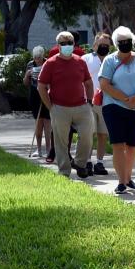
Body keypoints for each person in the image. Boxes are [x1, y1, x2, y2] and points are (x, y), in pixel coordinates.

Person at [99, 26, 135, 195]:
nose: (125, 44)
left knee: (132, 146)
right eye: (121, 42)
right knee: (118, 144)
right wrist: (125, 99)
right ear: (116, 44)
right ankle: (121, 182)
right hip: (114, 107)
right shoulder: (109, 61)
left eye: (128, 41)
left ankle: (129, 178)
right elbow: (104, 84)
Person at [37, 31, 94, 179]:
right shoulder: (50, 63)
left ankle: (80, 164)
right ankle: (64, 171)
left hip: (82, 106)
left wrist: (89, 101)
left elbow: (88, 83)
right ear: (58, 45)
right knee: (61, 141)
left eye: (70, 42)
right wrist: (50, 107)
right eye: (63, 43)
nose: (67, 45)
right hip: (59, 107)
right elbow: (41, 86)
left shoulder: (80, 61)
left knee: (87, 136)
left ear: (74, 44)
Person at [81, 33, 112, 176]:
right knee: (89, 133)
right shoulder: (85, 59)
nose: (104, 47)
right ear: (94, 45)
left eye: (107, 44)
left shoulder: (113, 60)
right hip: (89, 102)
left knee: (103, 134)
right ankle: (87, 161)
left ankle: (99, 162)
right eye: (101, 44)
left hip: (107, 102)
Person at [23, 46, 51, 158]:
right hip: (34, 95)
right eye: (35, 57)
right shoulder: (30, 65)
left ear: (42, 55)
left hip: (47, 94)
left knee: (47, 123)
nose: (37, 60)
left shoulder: (48, 63)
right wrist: (27, 75)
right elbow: (25, 83)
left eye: (39, 57)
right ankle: (38, 149)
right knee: (38, 123)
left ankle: (49, 149)